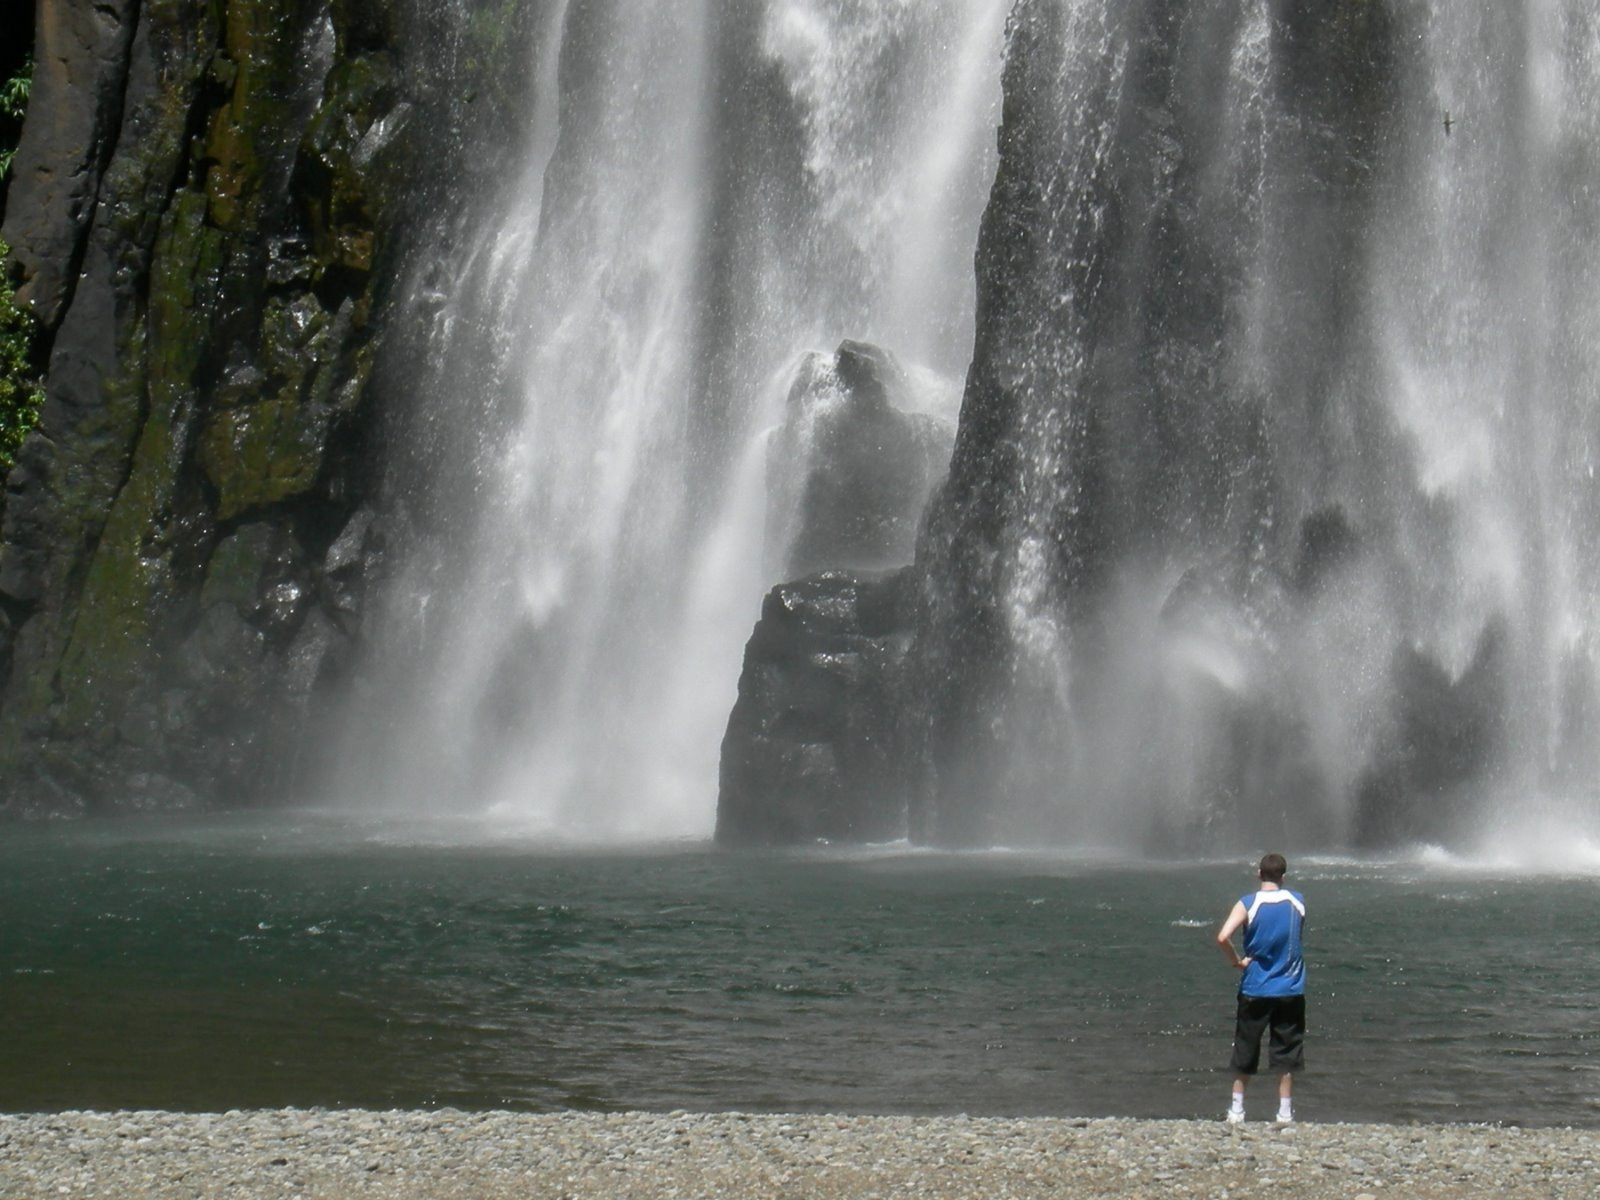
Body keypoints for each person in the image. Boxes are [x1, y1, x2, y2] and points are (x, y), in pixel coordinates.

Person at [1214, 852, 1305, 1124]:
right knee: (1287, 1050)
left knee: (1246, 1046)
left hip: (1255, 987)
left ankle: (1237, 1111)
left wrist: (1237, 962)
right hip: (1290, 987)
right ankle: (1285, 1113)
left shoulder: (1248, 903)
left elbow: (1222, 937)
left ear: (1259, 874)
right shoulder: (1298, 901)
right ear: (1283, 877)